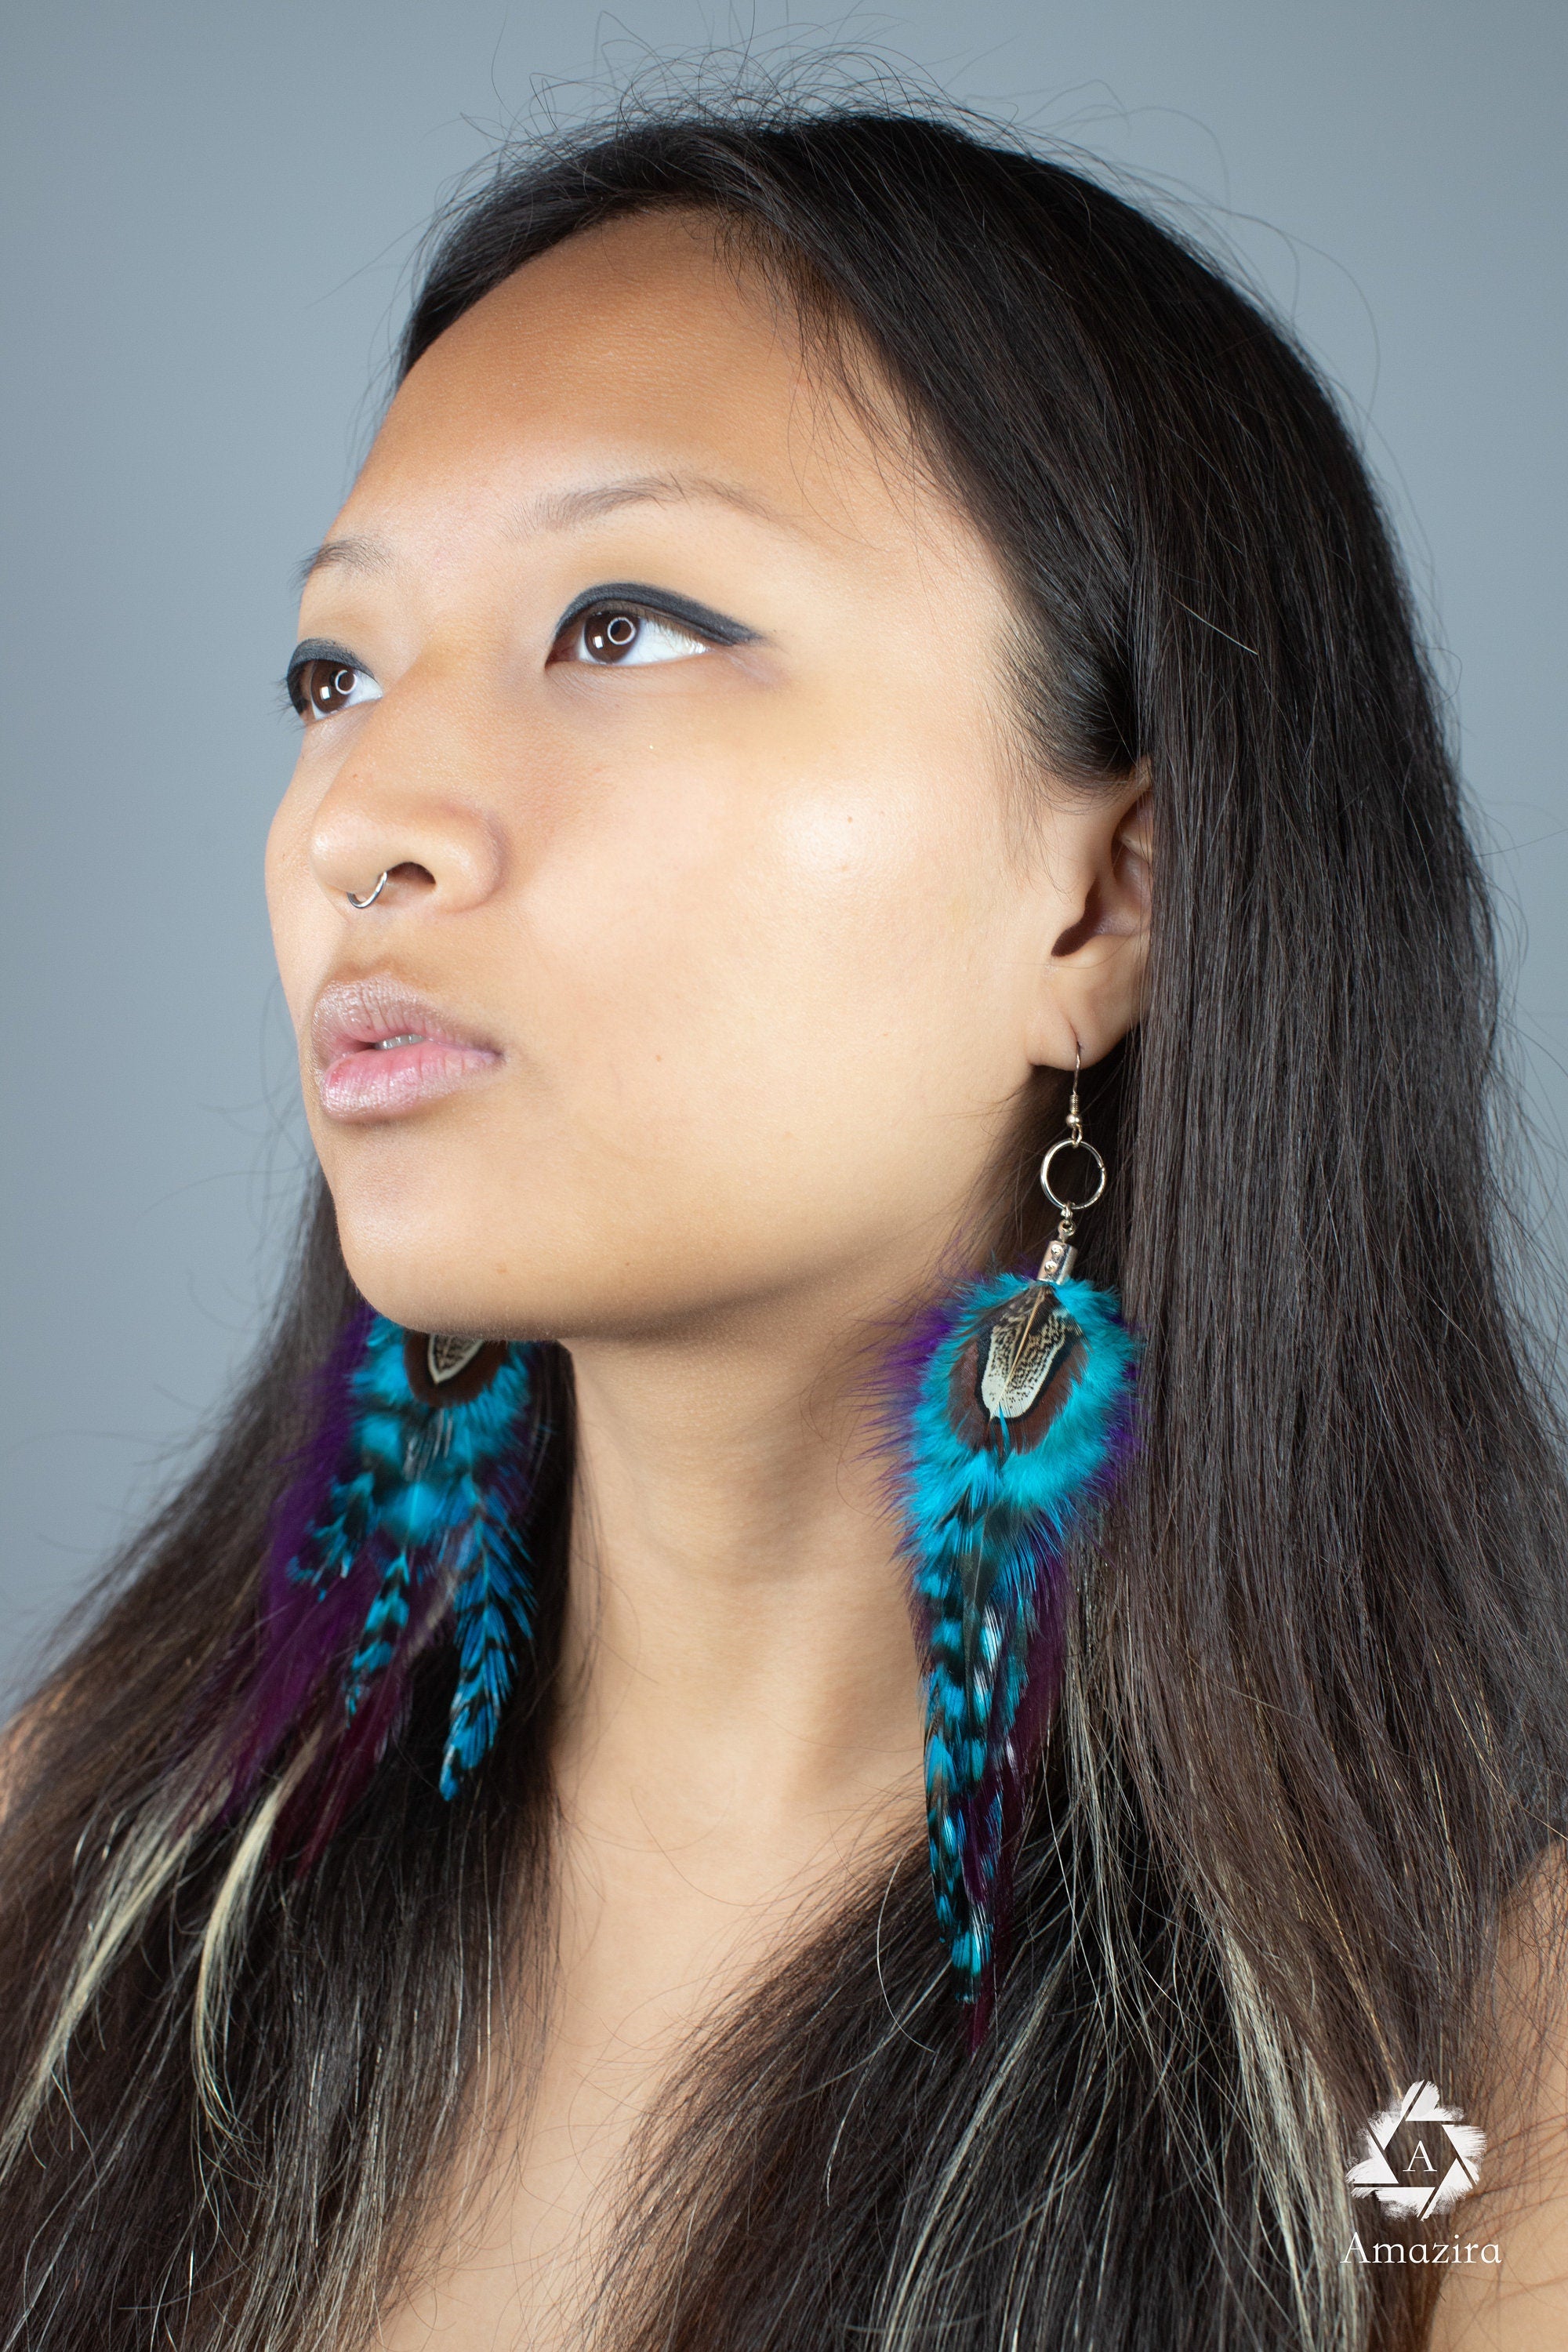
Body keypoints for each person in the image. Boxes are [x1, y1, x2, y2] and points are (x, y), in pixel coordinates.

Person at [2, 92, 1566, 2352]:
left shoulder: (1468, 2085)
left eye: (624, 626)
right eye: (333, 673)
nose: (364, 816)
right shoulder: (105, 1865)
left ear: (1110, 896)